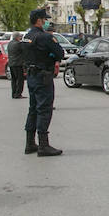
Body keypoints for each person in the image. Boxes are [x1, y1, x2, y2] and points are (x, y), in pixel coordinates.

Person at [21, 8, 65, 156]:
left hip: (31, 75)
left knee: (33, 109)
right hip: (43, 76)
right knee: (44, 110)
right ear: (39, 20)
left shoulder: (27, 36)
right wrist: (51, 56)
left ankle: (30, 143)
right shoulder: (44, 37)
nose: (46, 22)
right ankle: (43, 145)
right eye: (45, 20)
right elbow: (60, 53)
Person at [6, 32, 26, 98]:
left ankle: (14, 93)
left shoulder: (10, 43)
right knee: (20, 80)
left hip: (11, 63)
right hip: (18, 64)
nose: (20, 38)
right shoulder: (18, 44)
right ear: (17, 37)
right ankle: (18, 94)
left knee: (14, 79)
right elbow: (24, 50)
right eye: (20, 37)